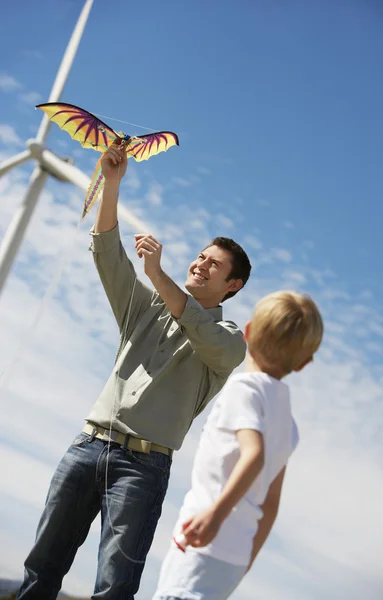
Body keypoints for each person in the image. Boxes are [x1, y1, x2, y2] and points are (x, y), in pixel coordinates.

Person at [17, 144, 252, 600]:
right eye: (200, 256)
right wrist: (112, 183)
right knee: (40, 570)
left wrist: (158, 274)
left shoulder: (228, 342)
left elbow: (199, 327)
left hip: (142, 468)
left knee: (114, 589)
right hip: (87, 446)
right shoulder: (145, 307)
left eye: (213, 264)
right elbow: (108, 254)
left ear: (233, 285)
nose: (200, 264)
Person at [152, 291, 324, 600]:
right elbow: (270, 503)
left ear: (247, 332)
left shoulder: (243, 389)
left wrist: (214, 516)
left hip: (203, 540)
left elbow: (253, 456)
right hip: (235, 556)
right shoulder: (288, 422)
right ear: (304, 363)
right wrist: (247, 559)